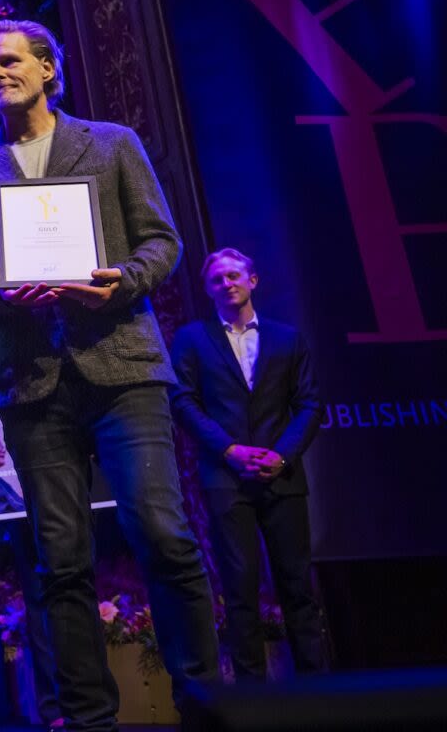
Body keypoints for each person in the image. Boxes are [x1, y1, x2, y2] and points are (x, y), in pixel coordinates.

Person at [0, 19, 218, 731]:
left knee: (161, 532)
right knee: (59, 558)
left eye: (8, 61)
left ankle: (206, 702)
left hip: (123, 366)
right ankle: (90, 718)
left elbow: (163, 241)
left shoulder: (112, 144)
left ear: (47, 70)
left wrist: (121, 282)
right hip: (32, 382)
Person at [170, 248, 327, 681]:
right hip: (226, 479)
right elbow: (182, 401)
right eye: (217, 279)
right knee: (239, 593)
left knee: (297, 587)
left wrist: (282, 455)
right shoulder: (192, 339)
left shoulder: (286, 338)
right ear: (207, 289)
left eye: (234, 275)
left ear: (253, 280)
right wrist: (230, 451)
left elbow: (310, 403)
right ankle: (252, 701)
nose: (227, 283)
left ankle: (319, 693)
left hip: (283, 476)